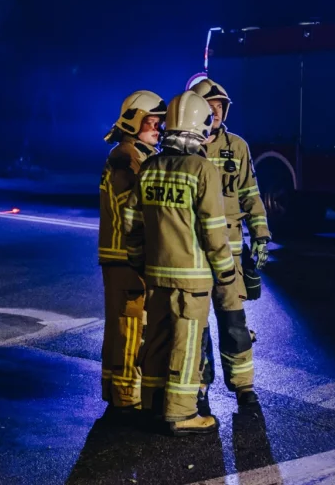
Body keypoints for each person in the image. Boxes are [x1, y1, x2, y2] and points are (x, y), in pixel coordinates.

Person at [123, 90, 235, 436]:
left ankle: (153, 402)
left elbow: (131, 221)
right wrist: (226, 270)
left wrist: (140, 262)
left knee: (156, 338)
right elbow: (213, 229)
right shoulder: (202, 169)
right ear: (198, 128)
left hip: (156, 275)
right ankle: (182, 412)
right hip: (193, 278)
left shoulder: (151, 167)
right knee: (187, 345)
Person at [190, 78, 270, 412]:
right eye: (209, 106)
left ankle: (244, 387)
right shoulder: (185, 149)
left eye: (220, 106)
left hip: (230, 254)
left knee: (234, 322)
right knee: (199, 327)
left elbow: (250, 193)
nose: (216, 111)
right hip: (194, 254)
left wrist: (261, 234)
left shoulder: (237, 147)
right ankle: (199, 387)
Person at [98, 90, 167, 416]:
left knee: (121, 325)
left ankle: (116, 389)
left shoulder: (131, 153)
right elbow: (137, 211)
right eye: (152, 122)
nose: (158, 129)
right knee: (130, 327)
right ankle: (126, 395)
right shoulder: (128, 157)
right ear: (134, 122)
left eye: (160, 123)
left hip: (120, 256)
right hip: (126, 257)